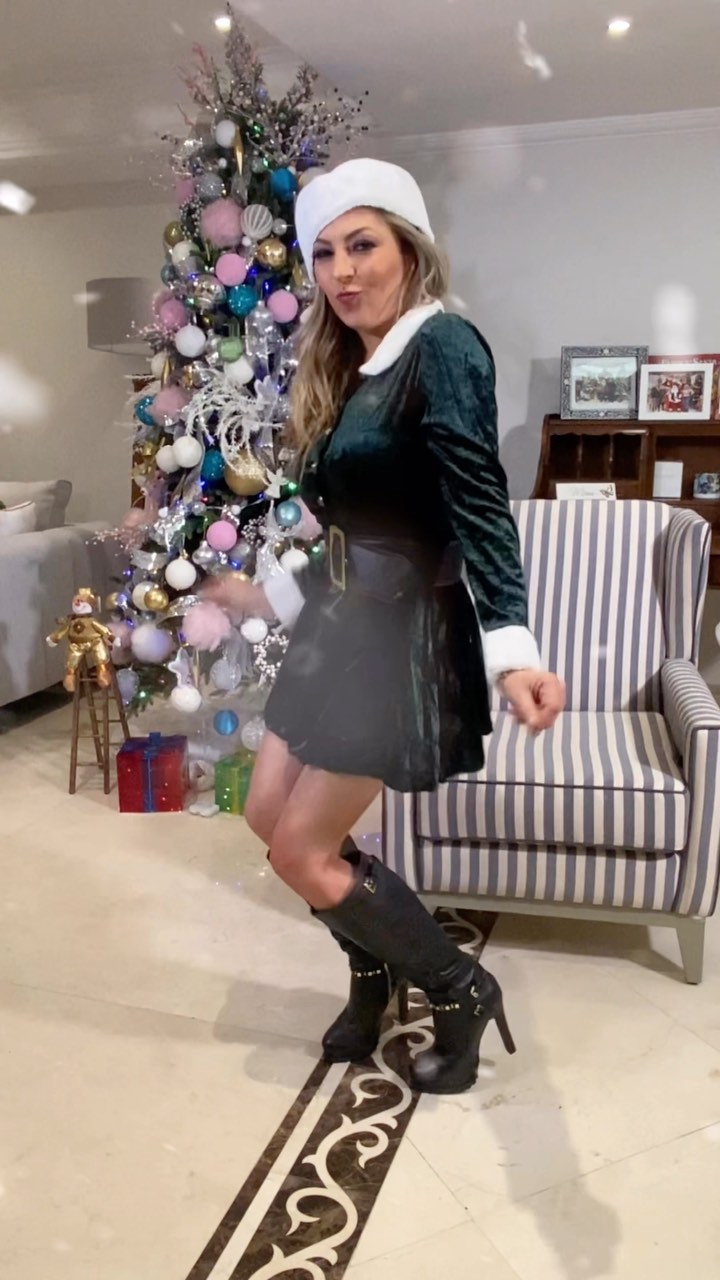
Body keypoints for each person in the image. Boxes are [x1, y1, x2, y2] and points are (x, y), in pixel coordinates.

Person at [203, 159, 565, 1095]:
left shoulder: (442, 345)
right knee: (266, 816)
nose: (342, 271)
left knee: (301, 849)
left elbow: (478, 504)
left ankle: (458, 987)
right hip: (333, 626)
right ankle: (373, 975)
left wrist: (514, 650)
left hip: (397, 638)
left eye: (362, 245)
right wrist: (269, 595)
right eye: (324, 253)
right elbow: (356, 522)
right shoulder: (353, 368)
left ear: (410, 247)